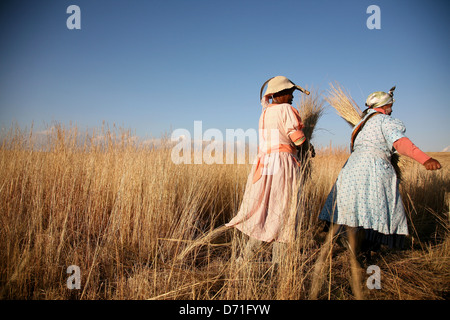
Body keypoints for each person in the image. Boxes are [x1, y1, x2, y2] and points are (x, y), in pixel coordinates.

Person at [319, 86, 441, 253]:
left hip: (351, 168)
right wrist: (425, 159)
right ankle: (365, 250)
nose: (391, 110)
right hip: (373, 168)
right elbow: (400, 143)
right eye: (390, 106)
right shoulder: (385, 121)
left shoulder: (360, 125)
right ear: (386, 107)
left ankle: (351, 241)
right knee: (373, 207)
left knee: (355, 206)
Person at [226, 76, 314, 263]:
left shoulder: (265, 113)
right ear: (277, 94)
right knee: (284, 208)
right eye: (288, 93)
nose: (291, 96)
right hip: (282, 163)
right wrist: (308, 147)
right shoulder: (287, 110)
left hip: (265, 163)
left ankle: (245, 259)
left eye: (291, 93)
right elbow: (296, 137)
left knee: (265, 209)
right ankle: (280, 264)